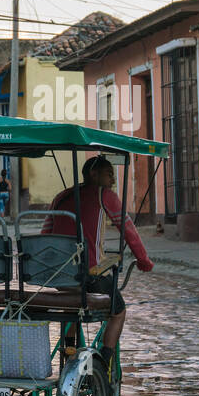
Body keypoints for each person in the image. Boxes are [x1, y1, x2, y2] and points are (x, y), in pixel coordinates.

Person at [42, 156, 154, 366]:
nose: (112, 179)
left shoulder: (61, 197)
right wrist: (144, 260)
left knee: (72, 307)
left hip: (58, 275)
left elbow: (44, 236)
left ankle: (68, 352)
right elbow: (128, 231)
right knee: (118, 310)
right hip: (87, 275)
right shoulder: (105, 195)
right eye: (109, 173)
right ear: (94, 174)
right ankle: (105, 362)